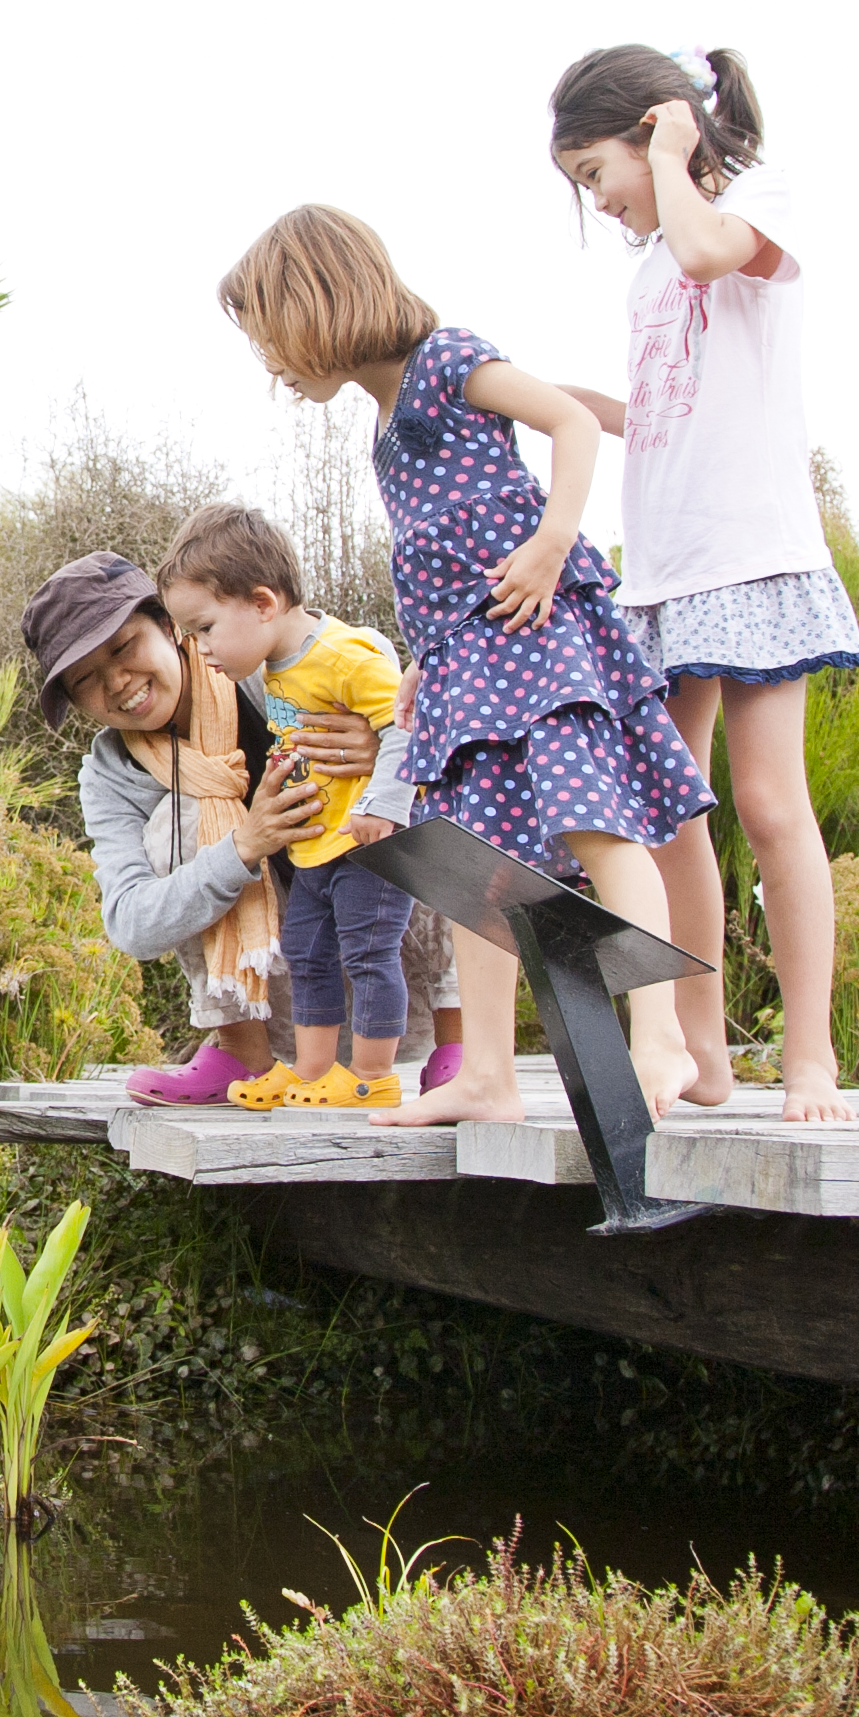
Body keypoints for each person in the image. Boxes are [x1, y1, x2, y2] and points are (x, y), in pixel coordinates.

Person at [214, 203, 718, 1122]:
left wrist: (553, 542)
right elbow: (434, 557)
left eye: (272, 342)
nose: (276, 370)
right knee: (473, 866)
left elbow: (568, 420)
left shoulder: (448, 362)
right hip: (465, 661)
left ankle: (664, 1037)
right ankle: (487, 1076)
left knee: (600, 829)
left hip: (538, 637)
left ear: (317, 304)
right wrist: (427, 659)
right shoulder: (381, 423)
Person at [547, 44, 859, 1123]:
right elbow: (670, 414)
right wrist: (568, 403)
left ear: (655, 128)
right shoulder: (651, 260)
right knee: (670, 815)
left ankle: (811, 1058)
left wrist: (678, 154)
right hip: (665, 573)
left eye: (599, 173)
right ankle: (699, 1047)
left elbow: (705, 253)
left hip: (756, 556)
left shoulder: (753, 204)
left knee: (772, 805)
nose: (602, 203)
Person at [17, 550, 398, 1104]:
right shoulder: (113, 770)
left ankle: (455, 1040)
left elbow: (382, 666)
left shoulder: (263, 663)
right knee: (180, 822)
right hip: (285, 999)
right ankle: (240, 1051)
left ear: (169, 626)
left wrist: (382, 744)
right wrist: (242, 848)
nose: (119, 681)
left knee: (408, 789)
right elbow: (130, 924)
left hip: (381, 970)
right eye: (86, 680)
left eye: (124, 647)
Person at [157, 500, 436, 1110]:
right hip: (316, 849)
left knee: (368, 954)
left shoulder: (341, 655)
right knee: (307, 952)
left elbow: (407, 723)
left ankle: (371, 1077)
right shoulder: (277, 664)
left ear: (263, 603)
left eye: (204, 628)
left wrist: (383, 805)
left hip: (367, 846)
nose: (199, 649)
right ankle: (313, 1072)